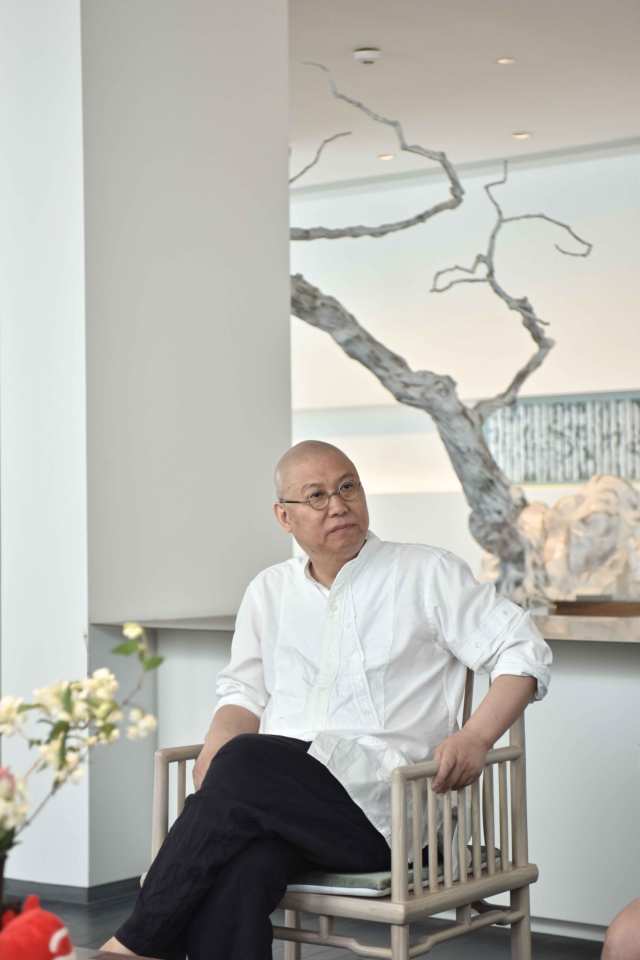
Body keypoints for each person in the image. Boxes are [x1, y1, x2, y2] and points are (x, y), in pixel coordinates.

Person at [103, 440, 552, 959]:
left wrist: (476, 736)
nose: (338, 505)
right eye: (316, 495)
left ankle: (131, 946)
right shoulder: (269, 591)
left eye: (347, 487)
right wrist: (218, 745)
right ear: (284, 516)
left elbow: (523, 650)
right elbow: (242, 692)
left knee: (245, 758)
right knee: (240, 871)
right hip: (276, 807)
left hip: (384, 814)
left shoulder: (425, 572)